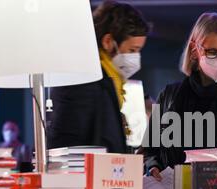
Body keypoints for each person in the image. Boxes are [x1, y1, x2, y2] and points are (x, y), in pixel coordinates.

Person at [143, 12, 217, 181]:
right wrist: (153, 167)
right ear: (195, 50)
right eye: (212, 52)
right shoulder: (171, 95)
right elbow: (150, 149)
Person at [48, 1, 149, 153]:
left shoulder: (110, 80)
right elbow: (70, 144)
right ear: (108, 41)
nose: (135, 57)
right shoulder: (83, 81)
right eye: (132, 50)